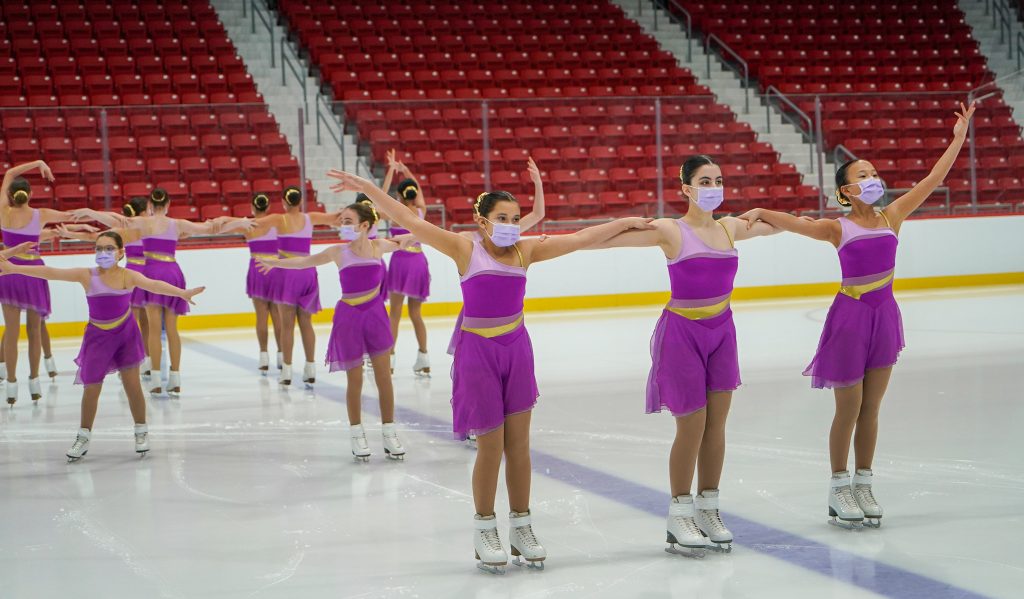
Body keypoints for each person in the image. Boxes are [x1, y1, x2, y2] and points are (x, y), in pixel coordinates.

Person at [328, 166, 653, 574]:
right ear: (482, 222)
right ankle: (485, 529)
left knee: (519, 445)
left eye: (516, 219)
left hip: (517, 350)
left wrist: (624, 221)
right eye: (503, 219)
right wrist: (368, 189)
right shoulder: (465, 249)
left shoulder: (526, 251)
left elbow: (581, 238)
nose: (512, 226)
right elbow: (409, 220)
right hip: (478, 354)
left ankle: (522, 526)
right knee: (490, 446)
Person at [739, 102, 976, 529]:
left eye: (873, 173)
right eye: (862, 176)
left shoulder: (893, 215)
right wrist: (760, 212)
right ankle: (838, 487)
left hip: (884, 315)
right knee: (847, 409)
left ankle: (864, 482)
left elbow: (933, 179)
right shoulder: (837, 227)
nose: (872, 180)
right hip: (850, 318)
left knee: (872, 408)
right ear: (845, 191)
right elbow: (796, 223)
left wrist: (959, 136)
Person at [586, 155, 779, 556]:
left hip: (722, 331)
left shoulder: (729, 228)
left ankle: (709, 506)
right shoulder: (671, 231)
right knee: (691, 426)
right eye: (704, 180)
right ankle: (679, 513)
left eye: (719, 179)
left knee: (717, 426)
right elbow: (601, 241)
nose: (714, 187)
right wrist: (619, 223)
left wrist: (762, 212)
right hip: (682, 335)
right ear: (686, 189)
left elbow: (781, 226)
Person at [0, 231, 203, 460]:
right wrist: (15, 268)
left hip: (126, 335)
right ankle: (83, 437)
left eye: (108, 248)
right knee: (91, 388)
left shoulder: (129, 276)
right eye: (98, 248)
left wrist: (181, 293)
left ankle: (141, 432)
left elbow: (154, 285)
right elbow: (51, 272)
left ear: (120, 253)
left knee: (133, 386)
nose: (103, 253)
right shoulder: (87, 275)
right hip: (98, 337)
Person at [258, 200, 406, 460]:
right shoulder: (337, 252)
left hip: (376, 315)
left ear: (365, 226)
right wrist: (276, 263)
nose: (342, 227)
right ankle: (357, 433)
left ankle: (389, 432)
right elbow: (305, 262)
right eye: (341, 222)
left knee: (384, 377)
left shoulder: (378, 246)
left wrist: (428, 234)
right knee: (355, 380)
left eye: (347, 222)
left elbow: (408, 239)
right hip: (349, 317)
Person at [72, 188, 238, 397]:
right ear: (168, 205)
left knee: (152, 329)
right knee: (172, 330)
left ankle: (157, 379)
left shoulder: (143, 223)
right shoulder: (177, 224)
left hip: (152, 271)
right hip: (173, 271)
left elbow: (116, 220)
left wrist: (90, 211)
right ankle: (175, 378)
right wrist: (238, 221)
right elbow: (211, 228)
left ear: (150, 206)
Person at [218, 186, 342, 387]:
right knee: (306, 323)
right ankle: (310, 368)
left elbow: (252, 223)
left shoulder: (279, 219)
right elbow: (336, 217)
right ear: (300, 202)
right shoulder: (311, 218)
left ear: (284, 203)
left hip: (288, 272)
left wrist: (223, 221)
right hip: (308, 271)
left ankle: (286, 370)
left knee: (286, 325)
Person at [0, 160, 76, 404]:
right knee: (34, 330)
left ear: (10, 195)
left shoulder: (3, 211)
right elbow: (71, 215)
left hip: (9, 272)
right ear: (30, 194)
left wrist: (38, 163)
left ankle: (11, 384)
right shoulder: (41, 214)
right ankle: (34, 381)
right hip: (34, 273)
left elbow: (10, 172)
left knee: (11, 331)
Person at [57, 197, 153, 377]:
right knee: (141, 322)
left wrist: (74, 231)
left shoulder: (128, 229)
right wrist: (74, 231)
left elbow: (97, 234)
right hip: (142, 273)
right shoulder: (144, 228)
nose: (150, 213)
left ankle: (140, 360)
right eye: (148, 210)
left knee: (137, 320)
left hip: (136, 272)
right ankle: (140, 360)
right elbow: (98, 235)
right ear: (141, 212)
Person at [380, 150, 432, 376]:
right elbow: (417, 188)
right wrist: (406, 171)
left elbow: (380, 197)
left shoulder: (396, 212)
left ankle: (389, 360)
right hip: (418, 261)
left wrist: (393, 170)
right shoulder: (421, 211)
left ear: (399, 197)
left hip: (401, 262)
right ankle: (424, 357)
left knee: (395, 314)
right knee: (416, 314)